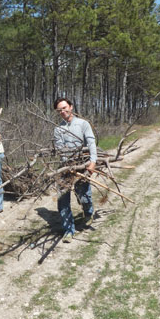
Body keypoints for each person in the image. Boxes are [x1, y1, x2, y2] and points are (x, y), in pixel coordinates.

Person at [53, 97, 97, 243]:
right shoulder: (58, 129)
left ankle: (88, 212)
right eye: (59, 110)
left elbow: (91, 143)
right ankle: (68, 230)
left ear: (71, 107)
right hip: (65, 166)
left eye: (64, 108)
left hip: (82, 164)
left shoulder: (83, 124)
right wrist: (67, 165)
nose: (62, 111)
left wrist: (93, 162)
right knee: (62, 198)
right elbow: (60, 149)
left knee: (83, 195)